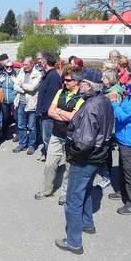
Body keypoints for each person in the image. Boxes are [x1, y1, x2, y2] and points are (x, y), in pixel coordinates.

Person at [55, 68, 114, 255]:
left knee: (73, 199)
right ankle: (87, 224)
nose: (78, 84)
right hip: (97, 157)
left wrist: (72, 153)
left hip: (86, 158)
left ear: (88, 85)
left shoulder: (90, 106)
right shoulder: (103, 100)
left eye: (81, 82)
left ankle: (73, 241)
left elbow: (84, 142)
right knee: (87, 189)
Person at [34, 66, 84, 205]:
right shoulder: (60, 92)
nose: (65, 82)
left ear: (76, 81)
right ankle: (46, 190)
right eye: (64, 79)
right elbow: (50, 111)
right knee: (50, 164)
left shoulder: (82, 96)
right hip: (56, 135)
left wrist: (60, 112)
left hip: (72, 138)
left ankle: (65, 194)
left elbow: (75, 118)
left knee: (69, 168)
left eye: (68, 80)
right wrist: (64, 114)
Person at [108, 67, 131, 215]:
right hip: (123, 139)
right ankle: (122, 192)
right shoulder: (129, 94)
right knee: (123, 168)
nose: (127, 80)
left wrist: (114, 103)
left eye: (130, 78)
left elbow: (124, 117)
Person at [97, 69, 124, 190]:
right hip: (104, 125)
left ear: (110, 80)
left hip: (109, 127)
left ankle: (107, 177)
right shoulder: (106, 90)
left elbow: (114, 113)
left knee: (106, 152)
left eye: (105, 78)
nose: (102, 80)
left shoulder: (114, 93)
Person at [12, 56, 42, 155]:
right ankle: (22, 144)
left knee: (32, 126)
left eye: (26, 64)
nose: (24, 66)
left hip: (31, 104)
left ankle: (31, 145)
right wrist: (22, 87)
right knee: (21, 125)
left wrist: (21, 85)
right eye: (23, 64)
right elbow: (15, 86)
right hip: (20, 102)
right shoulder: (21, 71)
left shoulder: (37, 74)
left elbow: (32, 87)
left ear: (32, 64)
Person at [36, 52, 62, 161]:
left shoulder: (53, 76)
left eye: (41, 61)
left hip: (48, 115)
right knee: (46, 138)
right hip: (44, 114)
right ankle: (48, 156)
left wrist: (43, 111)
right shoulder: (47, 74)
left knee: (48, 139)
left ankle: (51, 160)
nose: (39, 62)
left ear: (45, 62)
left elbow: (52, 98)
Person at [0, 60, 17, 142]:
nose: (9, 68)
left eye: (11, 66)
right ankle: (4, 135)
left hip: (13, 100)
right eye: (7, 67)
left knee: (16, 118)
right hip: (4, 101)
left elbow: (20, 85)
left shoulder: (15, 75)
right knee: (5, 118)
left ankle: (17, 134)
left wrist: (16, 81)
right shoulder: (2, 75)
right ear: (4, 67)